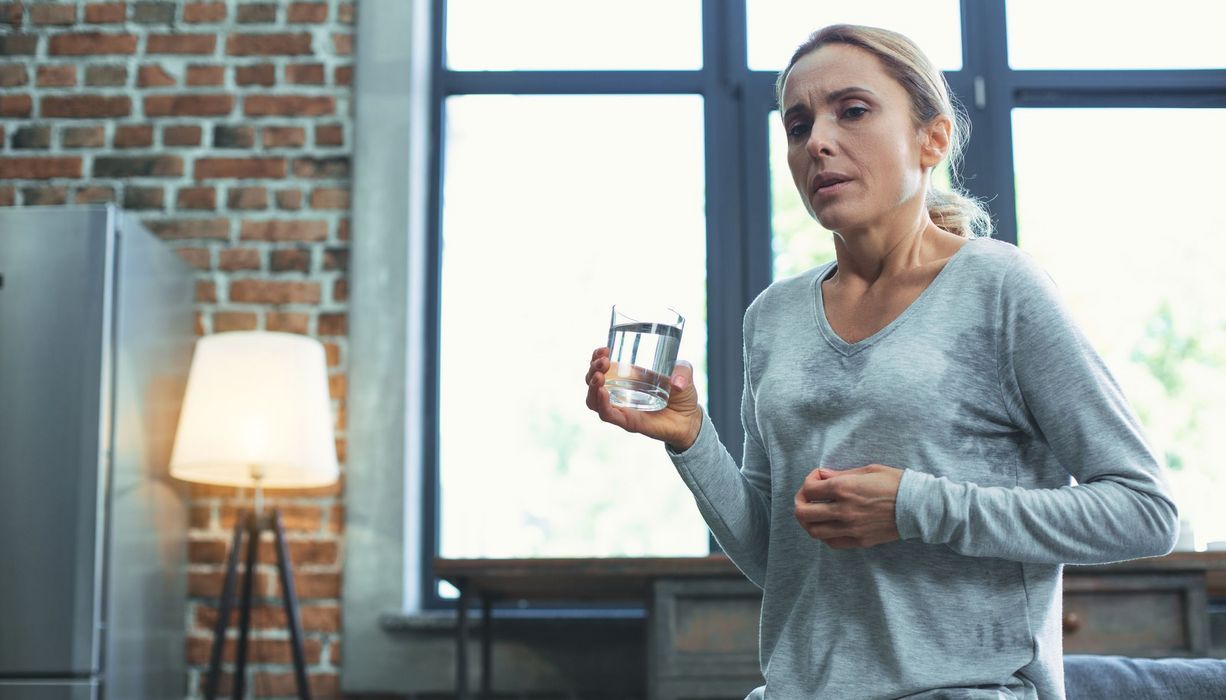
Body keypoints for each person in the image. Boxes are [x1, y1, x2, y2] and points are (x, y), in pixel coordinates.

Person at [584, 23, 1179, 700]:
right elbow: (776, 556)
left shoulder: (1000, 288)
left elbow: (1144, 512)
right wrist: (692, 441)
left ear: (933, 139)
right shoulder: (772, 317)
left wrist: (915, 506)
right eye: (798, 124)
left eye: (853, 111)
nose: (818, 142)